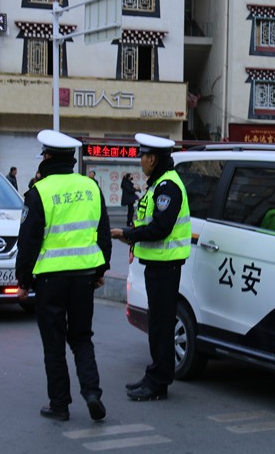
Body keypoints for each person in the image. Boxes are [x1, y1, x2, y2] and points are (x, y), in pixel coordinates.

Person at [16, 129, 112, 422]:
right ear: (71, 158)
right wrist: (100, 270)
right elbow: (103, 233)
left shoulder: (39, 192)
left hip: (50, 280)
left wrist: (23, 282)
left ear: (46, 157)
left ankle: (59, 405)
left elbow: (28, 241)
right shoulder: (91, 187)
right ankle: (92, 393)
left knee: (54, 344)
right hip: (83, 277)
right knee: (82, 338)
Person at [111, 134, 190, 401]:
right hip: (157, 265)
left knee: (161, 325)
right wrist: (129, 234)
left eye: (143, 157)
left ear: (153, 159)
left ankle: (158, 382)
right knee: (157, 324)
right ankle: (154, 375)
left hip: (165, 266)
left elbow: (160, 228)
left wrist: (128, 234)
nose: (141, 161)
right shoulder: (158, 184)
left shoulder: (168, 187)